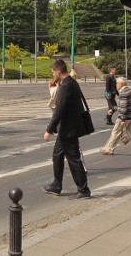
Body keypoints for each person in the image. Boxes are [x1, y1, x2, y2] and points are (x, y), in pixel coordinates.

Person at [41, 59, 91, 200]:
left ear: (58, 72)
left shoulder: (66, 86)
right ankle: (56, 185)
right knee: (57, 156)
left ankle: (83, 190)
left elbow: (59, 111)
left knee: (74, 159)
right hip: (67, 128)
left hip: (68, 129)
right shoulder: (71, 82)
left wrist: (49, 130)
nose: (53, 74)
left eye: (53, 72)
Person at [100, 77, 131, 158]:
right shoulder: (130, 91)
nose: (116, 85)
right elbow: (123, 104)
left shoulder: (123, 92)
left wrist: (122, 118)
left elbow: (124, 107)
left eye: (117, 83)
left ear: (121, 84)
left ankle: (109, 149)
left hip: (124, 117)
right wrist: (113, 109)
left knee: (115, 132)